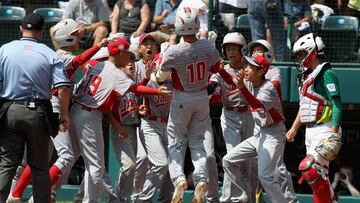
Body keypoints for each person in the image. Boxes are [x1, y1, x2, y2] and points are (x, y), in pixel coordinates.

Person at [70, 37, 171, 203]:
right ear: (121, 53)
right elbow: (135, 87)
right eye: (127, 54)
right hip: (89, 115)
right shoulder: (115, 72)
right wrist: (157, 92)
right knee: (96, 166)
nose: (129, 58)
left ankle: (82, 198)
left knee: (79, 161)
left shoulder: (98, 64)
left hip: (76, 110)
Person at [154, 7, 236, 203]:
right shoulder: (207, 46)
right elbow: (217, 68)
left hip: (182, 98)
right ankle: (200, 178)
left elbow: (160, 78)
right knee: (198, 142)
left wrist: (159, 65)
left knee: (175, 143)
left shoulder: (174, 50)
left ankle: (179, 179)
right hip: (201, 98)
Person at [0, 13, 71, 203]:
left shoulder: (4, 49)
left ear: (21, 29)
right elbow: (63, 87)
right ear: (41, 33)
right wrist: (64, 114)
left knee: (7, 165)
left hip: (10, 109)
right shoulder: (49, 53)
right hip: (38, 112)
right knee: (39, 167)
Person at [223, 54, 291, 203]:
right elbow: (232, 82)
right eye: (246, 65)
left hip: (274, 133)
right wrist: (221, 70)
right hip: (260, 134)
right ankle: (240, 197)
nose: (246, 69)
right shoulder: (249, 83)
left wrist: (242, 87)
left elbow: (256, 105)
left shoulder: (269, 87)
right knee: (228, 160)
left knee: (265, 175)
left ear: (261, 71)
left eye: (250, 67)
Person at [286, 33, 342, 203]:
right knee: (317, 179)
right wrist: (294, 128)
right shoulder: (305, 77)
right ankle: (330, 198)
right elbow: (304, 107)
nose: (300, 59)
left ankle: (331, 198)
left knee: (310, 168)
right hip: (309, 131)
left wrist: (333, 133)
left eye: (302, 54)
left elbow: (337, 104)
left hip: (325, 128)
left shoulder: (326, 73)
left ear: (312, 52)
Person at [247, 39, 299, 203]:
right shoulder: (249, 71)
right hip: (258, 123)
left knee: (278, 168)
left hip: (273, 122)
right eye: (254, 50)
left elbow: (272, 87)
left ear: (268, 54)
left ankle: (290, 199)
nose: (255, 53)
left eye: (259, 50)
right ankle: (258, 197)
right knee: (254, 164)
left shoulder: (273, 72)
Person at [208, 32, 256, 203]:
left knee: (248, 162)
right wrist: (211, 89)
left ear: (242, 49)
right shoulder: (223, 70)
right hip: (230, 115)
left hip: (250, 115)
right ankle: (229, 198)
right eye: (228, 48)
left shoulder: (251, 68)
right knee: (232, 157)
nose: (231, 52)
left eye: (235, 48)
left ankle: (248, 199)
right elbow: (213, 89)